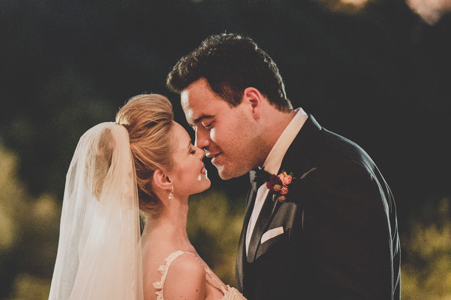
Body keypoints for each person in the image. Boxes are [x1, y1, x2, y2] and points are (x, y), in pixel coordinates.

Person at [167, 33, 400, 300]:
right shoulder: (261, 174)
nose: (201, 142)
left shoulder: (340, 174)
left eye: (207, 124)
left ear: (252, 102)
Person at [48, 93, 244, 300]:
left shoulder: (143, 254)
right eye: (189, 151)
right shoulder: (183, 269)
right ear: (164, 179)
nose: (201, 152)